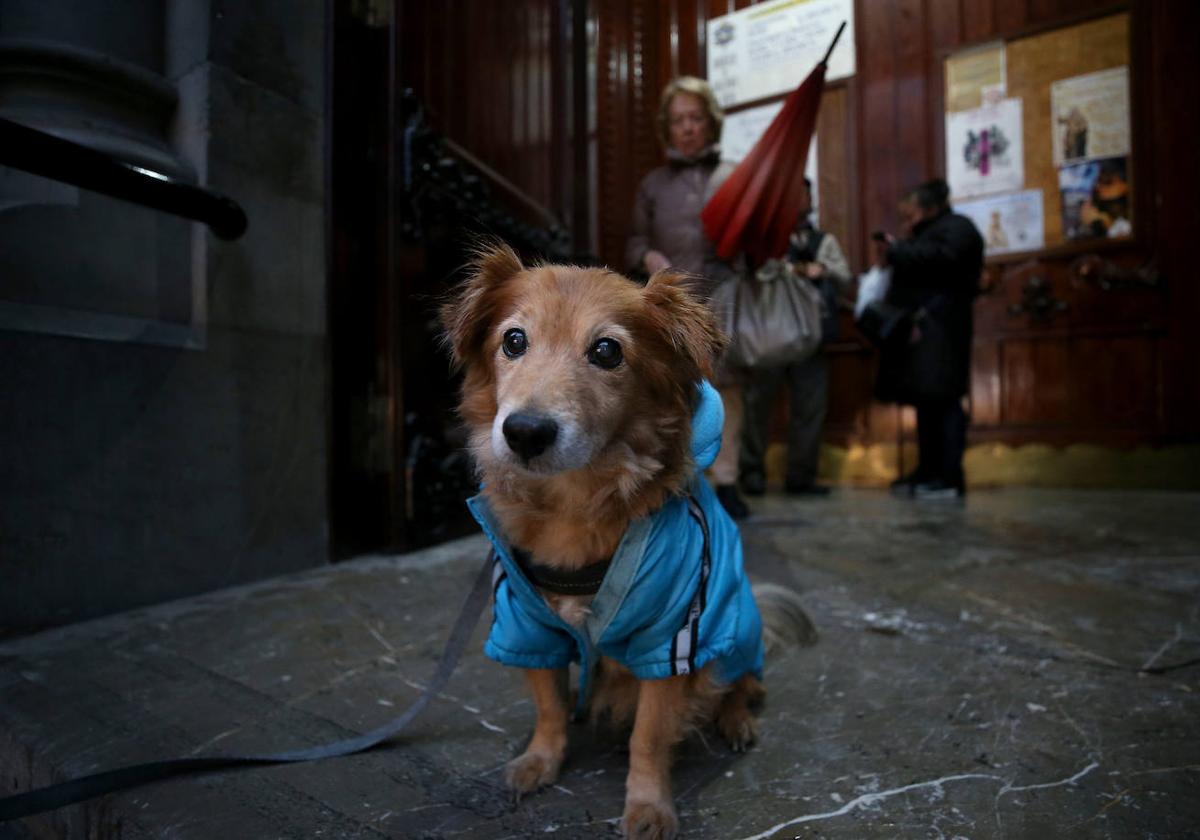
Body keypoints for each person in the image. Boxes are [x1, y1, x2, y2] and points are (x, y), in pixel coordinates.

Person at [625, 76, 749, 519]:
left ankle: (729, 482)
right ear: (667, 128)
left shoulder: (733, 175)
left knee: (728, 388)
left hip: (725, 293)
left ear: (711, 123)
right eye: (678, 120)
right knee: (675, 386)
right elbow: (634, 242)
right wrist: (649, 255)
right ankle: (681, 478)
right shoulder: (653, 184)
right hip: (672, 300)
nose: (688, 127)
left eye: (696, 118)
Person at [739, 178, 850, 497]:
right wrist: (793, 270)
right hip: (769, 334)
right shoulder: (766, 240)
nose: (801, 200)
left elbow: (844, 276)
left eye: (805, 194)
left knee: (810, 408)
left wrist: (822, 270)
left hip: (811, 337)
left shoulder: (823, 241)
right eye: (794, 194)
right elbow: (753, 276)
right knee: (757, 405)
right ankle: (752, 473)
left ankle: (801, 477)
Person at [873, 178, 983, 499]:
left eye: (911, 215)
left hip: (944, 332)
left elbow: (940, 259)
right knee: (926, 403)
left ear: (930, 208)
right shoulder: (928, 235)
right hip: (926, 334)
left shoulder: (958, 229)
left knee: (945, 402)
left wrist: (898, 250)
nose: (908, 223)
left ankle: (948, 478)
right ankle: (928, 471)